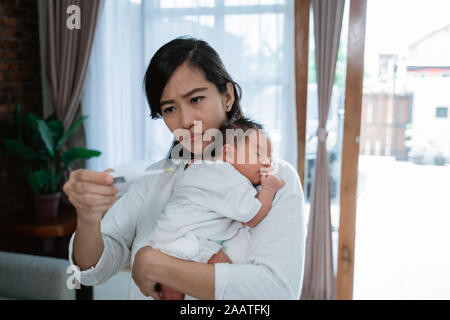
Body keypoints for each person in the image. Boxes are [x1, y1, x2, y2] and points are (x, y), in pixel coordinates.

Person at [64, 36, 306, 300]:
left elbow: (277, 293)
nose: (185, 120)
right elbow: (91, 270)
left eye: (196, 99)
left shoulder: (276, 179)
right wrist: (88, 219)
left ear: (227, 96)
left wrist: (156, 265)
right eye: (169, 108)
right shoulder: (155, 179)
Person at [148, 118, 286, 300]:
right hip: (190, 242)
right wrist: (269, 189)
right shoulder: (231, 179)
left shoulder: (201, 165)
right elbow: (252, 217)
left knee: (172, 290)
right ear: (228, 154)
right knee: (230, 280)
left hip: (165, 240)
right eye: (259, 154)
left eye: (269, 157)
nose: (267, 163)